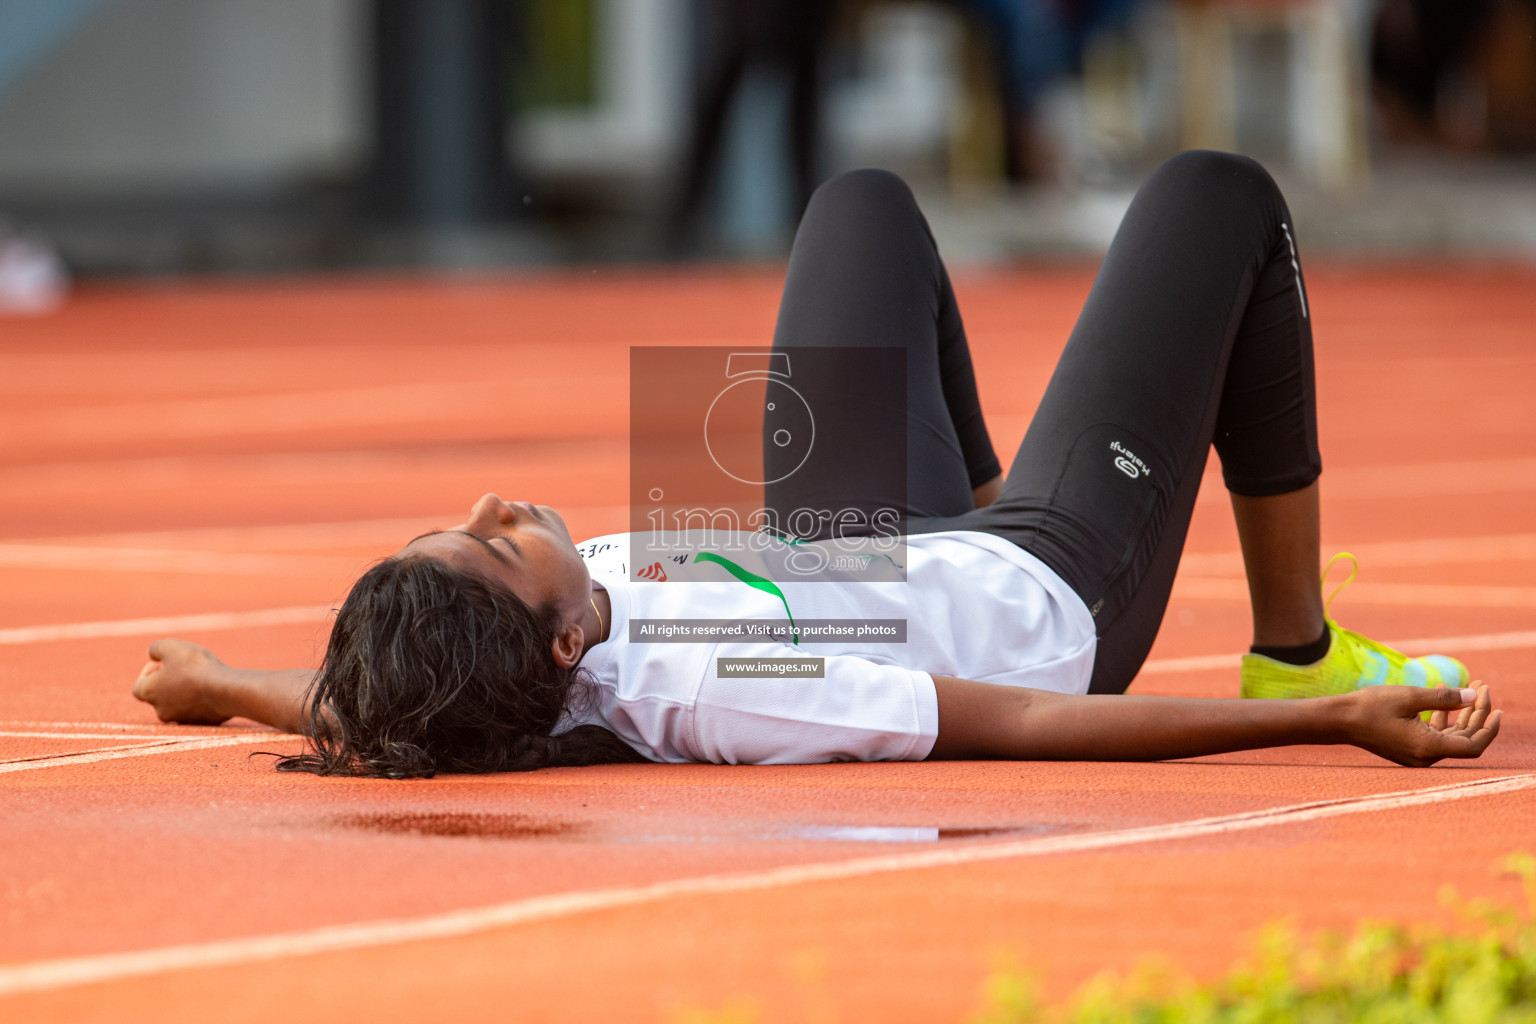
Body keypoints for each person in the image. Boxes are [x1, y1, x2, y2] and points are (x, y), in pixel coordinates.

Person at [131, 152, 1501, 776]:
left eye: (460, 520)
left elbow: (376, 705)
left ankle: (952, 516)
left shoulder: (492, 674)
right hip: (1039, 593)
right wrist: (1322, 729)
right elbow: (1019, 728)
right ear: (558, 647)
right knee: (1217, 198)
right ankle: (1302, 646)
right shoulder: (727, 685)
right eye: (495, 543)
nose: (496, 505)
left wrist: (218, 687)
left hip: (842, 555)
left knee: (861, 204)